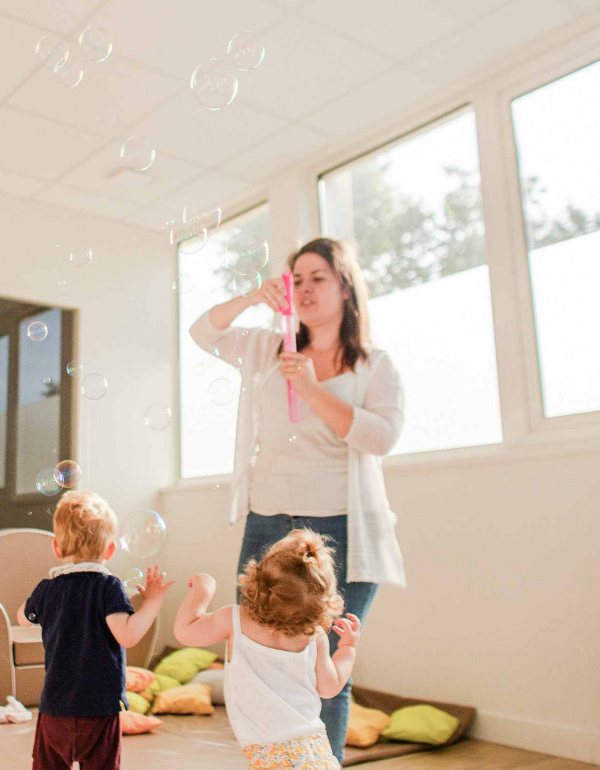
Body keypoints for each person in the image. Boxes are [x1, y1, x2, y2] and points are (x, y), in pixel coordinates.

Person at [189, 237, 405, 761]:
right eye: (297, 279)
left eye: (319, 278)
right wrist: (248, 299)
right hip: (269, 520)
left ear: (346, 287)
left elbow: (381, 437)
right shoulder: (267, 345)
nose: (305, 289)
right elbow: (202, 331)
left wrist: (310, 389)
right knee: (255, 651)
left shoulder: (375, 365)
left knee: (324, 660)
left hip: (344, 530)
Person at [173, 529, 360, 769]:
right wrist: (347, 648)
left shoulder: (234, 619)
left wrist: (201, 593)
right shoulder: (315, 637)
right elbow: (330, 687)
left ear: (257, 582)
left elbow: (185, 631)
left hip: (272, 758)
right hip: (316, 752)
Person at [16, 490, 172, 770]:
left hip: (55, 708)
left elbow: (23, 618)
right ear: (109, 550)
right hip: (99, 710)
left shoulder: (47, 588)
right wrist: (153, 602)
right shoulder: (107, 587)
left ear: (56, 547)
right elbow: (128, 635)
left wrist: (30, 605)